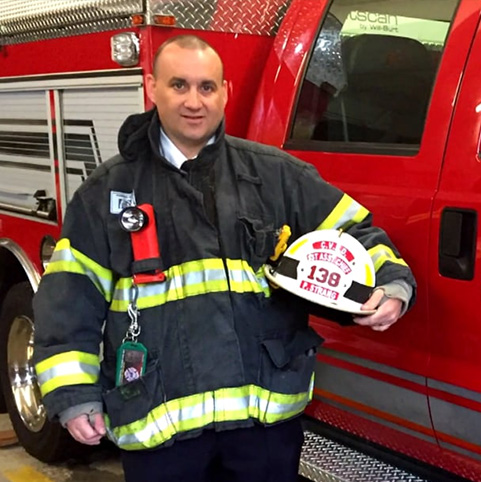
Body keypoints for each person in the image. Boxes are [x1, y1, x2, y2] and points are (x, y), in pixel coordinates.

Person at [32, 35, 415, 482]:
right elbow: (68, 299)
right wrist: (74, 394)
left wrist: (392, 287)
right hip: (161, 430)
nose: (194, 101)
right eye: (179, 85)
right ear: (152, 87)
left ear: (225, 92)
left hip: (263, 430)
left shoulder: (276, 175)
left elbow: (355, 233)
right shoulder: (108, 191)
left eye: (207, 87)